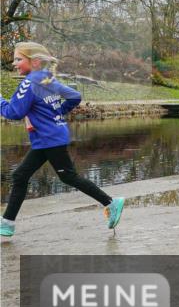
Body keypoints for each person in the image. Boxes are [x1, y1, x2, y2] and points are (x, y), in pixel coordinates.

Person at [0, 42, 124, 238]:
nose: (14, 63)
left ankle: (111, 203)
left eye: (18, 59)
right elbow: (74, 96)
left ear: (35, 62)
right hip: (48, 138)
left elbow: (14, 112)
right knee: (20, 176)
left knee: (68, 177)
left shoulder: (29, 83)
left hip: (49, 139)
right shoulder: (47, 78)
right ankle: (7, 223)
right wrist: (57, 114)